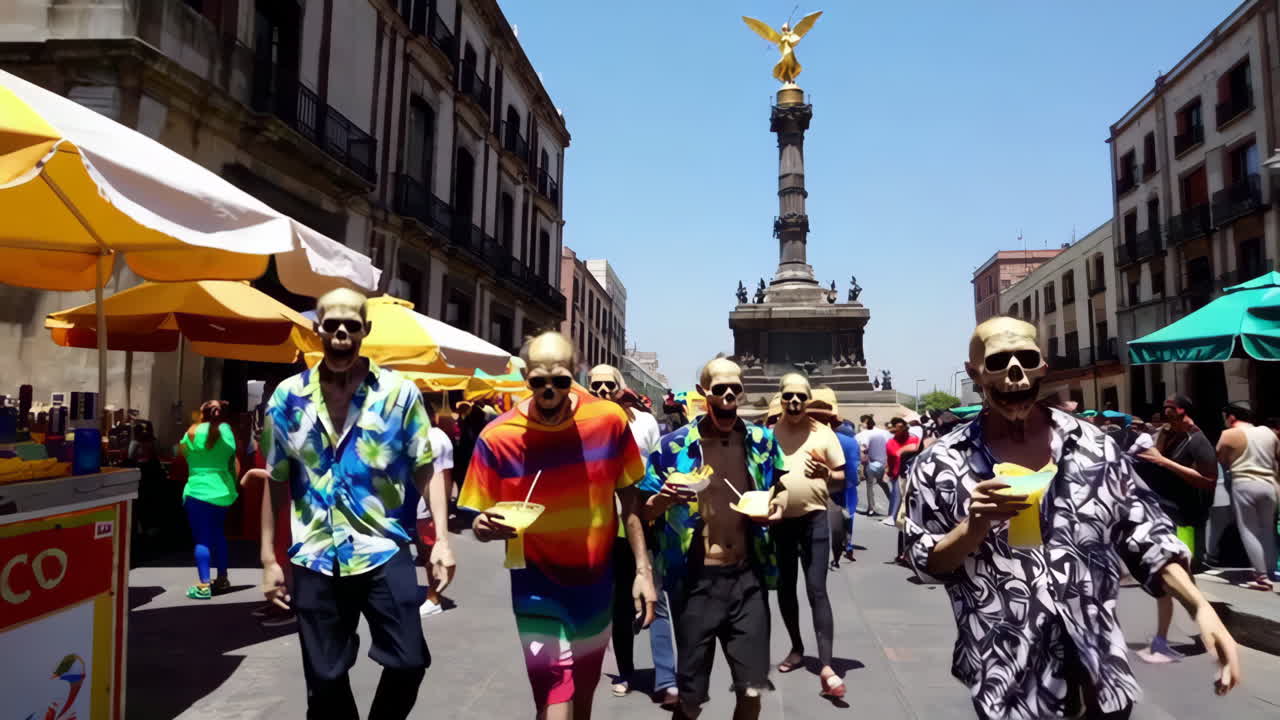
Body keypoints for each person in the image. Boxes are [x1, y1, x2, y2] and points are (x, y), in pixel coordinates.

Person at [905, 317, 1239, 720]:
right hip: (1011, 685)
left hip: (1102, 676)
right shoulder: (940, 464)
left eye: (1025, 359)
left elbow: (1145, 533)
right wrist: (971, 528)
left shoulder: (1094, 447)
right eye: (998, 362)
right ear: (975, 372)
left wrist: (1199, 606)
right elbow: (925, 561)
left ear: (1043, 367)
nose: (1014, 375)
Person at [260, 288, 454, 720]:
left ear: (365, 330)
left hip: (382, 546)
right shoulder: (286, 398)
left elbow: (426, 466)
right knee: (325, 679)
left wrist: (441, 539)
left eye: (351, 325)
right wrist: (269, 559)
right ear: (318, 330)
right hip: (313, 553)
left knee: (409, 662)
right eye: (333, 325)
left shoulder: (399, 394)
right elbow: (275, 479)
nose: (342, 333)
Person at [460, 333, 656, 720]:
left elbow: (630, 499)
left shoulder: (609, 420)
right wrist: (483, 526)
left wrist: (643, 571)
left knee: (582, 697)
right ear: (525, 376)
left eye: (561, 381)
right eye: (539, 382)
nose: (549, 391)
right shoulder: (497, 437)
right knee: (552, 693)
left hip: (595, 584)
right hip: (534, 587)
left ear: (576, 373)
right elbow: (478, 518)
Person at [640, 357, 785, 720]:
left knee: (752, 690)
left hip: (747, 579)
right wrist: (665, 499)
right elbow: (645, 511)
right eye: (719, 389)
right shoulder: (673, 448)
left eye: (735, 389)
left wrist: (778, 509)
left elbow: (780, 494)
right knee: (691, 699)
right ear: (704, 393)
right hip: (696, 583)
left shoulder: (761, 441)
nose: (728, 396)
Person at [587, 364, 669, 701]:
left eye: (609, 386)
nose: (603, 391)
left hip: (636, 523)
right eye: (597, 386)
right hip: (593, 526)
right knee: (614, 606)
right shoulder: (580, 424)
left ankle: (665, 676)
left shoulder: (645, 422)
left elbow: (656, 468)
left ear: (620, 388)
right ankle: (625, 670)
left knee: (651, 596)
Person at [771, 373, 846, 698]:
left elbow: (842, 478)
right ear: (782, 398)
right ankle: (797, 648)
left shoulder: (824, 433)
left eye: (801, 396)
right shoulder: (769, 433)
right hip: (781, 523)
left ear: (808, 399)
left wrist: (828, 474)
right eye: (789, 396)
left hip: (814, 519)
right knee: (786, 589)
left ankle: (827, 664)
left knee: (817, 589)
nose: (795, 402)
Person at [1134, 393, 1217, 663]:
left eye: (1170, 411)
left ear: (1183, 411)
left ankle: (1199, 631)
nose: (1165, 416)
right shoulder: (1174, 435)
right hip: (1164, 510)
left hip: (1182, 514)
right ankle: (1196, 631)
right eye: (1164, 411)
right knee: (1174, 578)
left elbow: (1208, 480)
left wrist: (1165, 462)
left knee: (1175, 575)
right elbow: (1156, 455)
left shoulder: (1198, 440)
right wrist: (1160, 444)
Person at [179, 400, 239, 600]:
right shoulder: (226, 431)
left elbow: (182, 454)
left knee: (202, 539)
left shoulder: (192, 431)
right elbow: (232, 458)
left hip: (196, 491)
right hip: (221, 491)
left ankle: (204, 585)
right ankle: (222, 579)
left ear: (202, 414)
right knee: (218, 535)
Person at [1216, 401, 1279, 591]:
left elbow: (1221, 457)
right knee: (1268, 529)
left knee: (1249, 529)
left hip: (1244, 483)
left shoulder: (1229, 434)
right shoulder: (1268, 433)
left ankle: (1260, 576)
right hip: (1269, 485)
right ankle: (1269, 571)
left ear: (1231, 416)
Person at [806, 387, 860, 567]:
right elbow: (852, 474)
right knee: (844, 517)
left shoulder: (799, 439)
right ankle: (844, 547)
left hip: (811, 495)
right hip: (839, 491)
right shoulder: (848, 441)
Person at [415, 409, 456, 616]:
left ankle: (434, 597)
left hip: (425, 506)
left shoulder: (434, 437)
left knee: (429, 552)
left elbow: (442, 475)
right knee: (422, 553)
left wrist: (440, 511)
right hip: (415, 506)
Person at [883, 417, 920, 528]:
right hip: (897, 472)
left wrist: (905, 450)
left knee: (907, 496)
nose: (902, 430)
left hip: (912, 472)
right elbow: (892, 458)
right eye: (898, 428)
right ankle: (893, 517)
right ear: (894, 429)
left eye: (903, 427)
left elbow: (918, 449)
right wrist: (888, 471)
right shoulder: (891, 443)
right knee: (897, 495)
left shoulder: (914, 440)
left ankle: (904, 517)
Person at [857, 416, 890, 516]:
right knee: (884, 485)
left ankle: (871, 508)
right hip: (884, 463)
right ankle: (895, 507)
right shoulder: (884, 433)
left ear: (865, 423)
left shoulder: (862, 435)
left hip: (870, 464)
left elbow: (863, 450)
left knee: (870, 486)